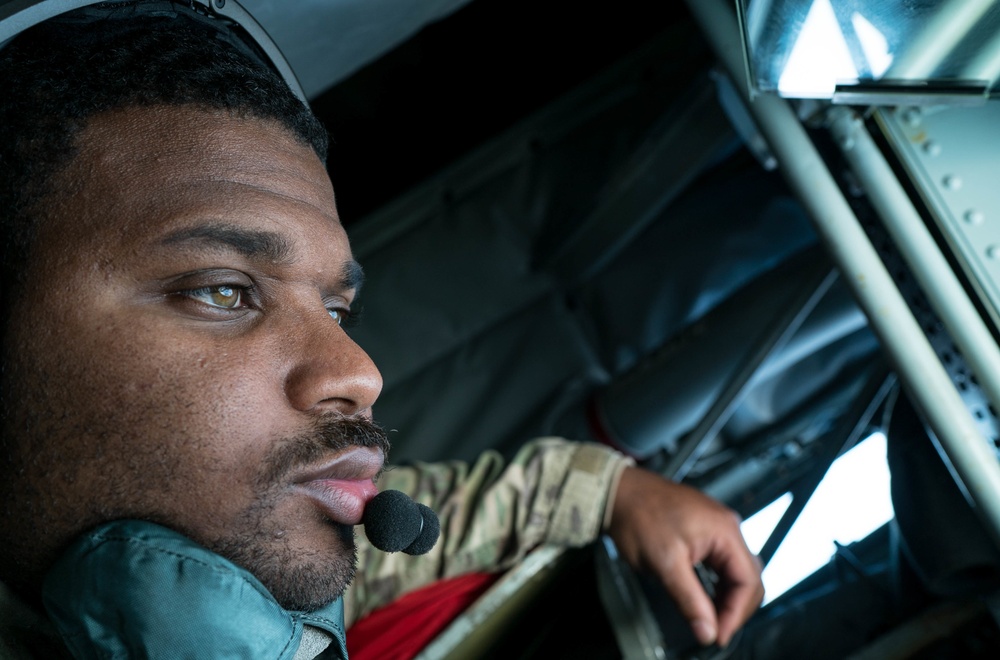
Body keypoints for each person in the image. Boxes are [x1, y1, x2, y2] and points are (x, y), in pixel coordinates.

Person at [0, 2, 763, 658]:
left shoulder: (250, 582)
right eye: (224, 292)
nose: (358, 372)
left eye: (336, 311)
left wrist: (609, 491)